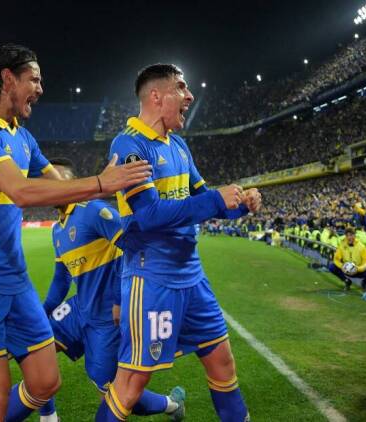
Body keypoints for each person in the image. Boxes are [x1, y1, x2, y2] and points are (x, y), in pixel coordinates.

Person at [0, 44, 151, 422]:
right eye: (33, 79)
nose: (40, 88)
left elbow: (66, 195)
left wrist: (126, 195)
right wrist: (101, 182)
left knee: (45, 382)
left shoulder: (24, 138)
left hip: (15, 280)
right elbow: (21, 192)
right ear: (7, 78)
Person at [95, 64, 261, 422]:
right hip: (152, 278)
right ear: (156, 96)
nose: (190, 97)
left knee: (222, 362)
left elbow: (201, 203)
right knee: (132, 383)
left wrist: (239, 207)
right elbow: (149, 214)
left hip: (193, 277)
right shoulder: (129, 144)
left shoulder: (180, 146)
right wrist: (217, 200)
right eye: (181, 88)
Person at [38, 158, 185, 422]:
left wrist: (119, 299)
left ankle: (172, 405)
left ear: (71, 182)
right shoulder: (58, 229)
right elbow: (61, 279)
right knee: (36, 346)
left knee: (114, 391)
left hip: (107, 316)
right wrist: (41, 312)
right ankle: (49, 418)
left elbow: (134, 246)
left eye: (53, 180)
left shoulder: (93, 210)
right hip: (79, 308)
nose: (47, 186)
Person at [328, 226, 366, 291]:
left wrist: (358, 269)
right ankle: (347, 281)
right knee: (331, 267)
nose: (349, 237)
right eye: (347, 235)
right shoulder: (342, 245)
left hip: (357, 270)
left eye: (351, 235)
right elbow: (336, 259)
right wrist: (342, 266)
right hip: (345, 269)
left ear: (355, 235)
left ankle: (363, 283)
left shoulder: (362, 247)